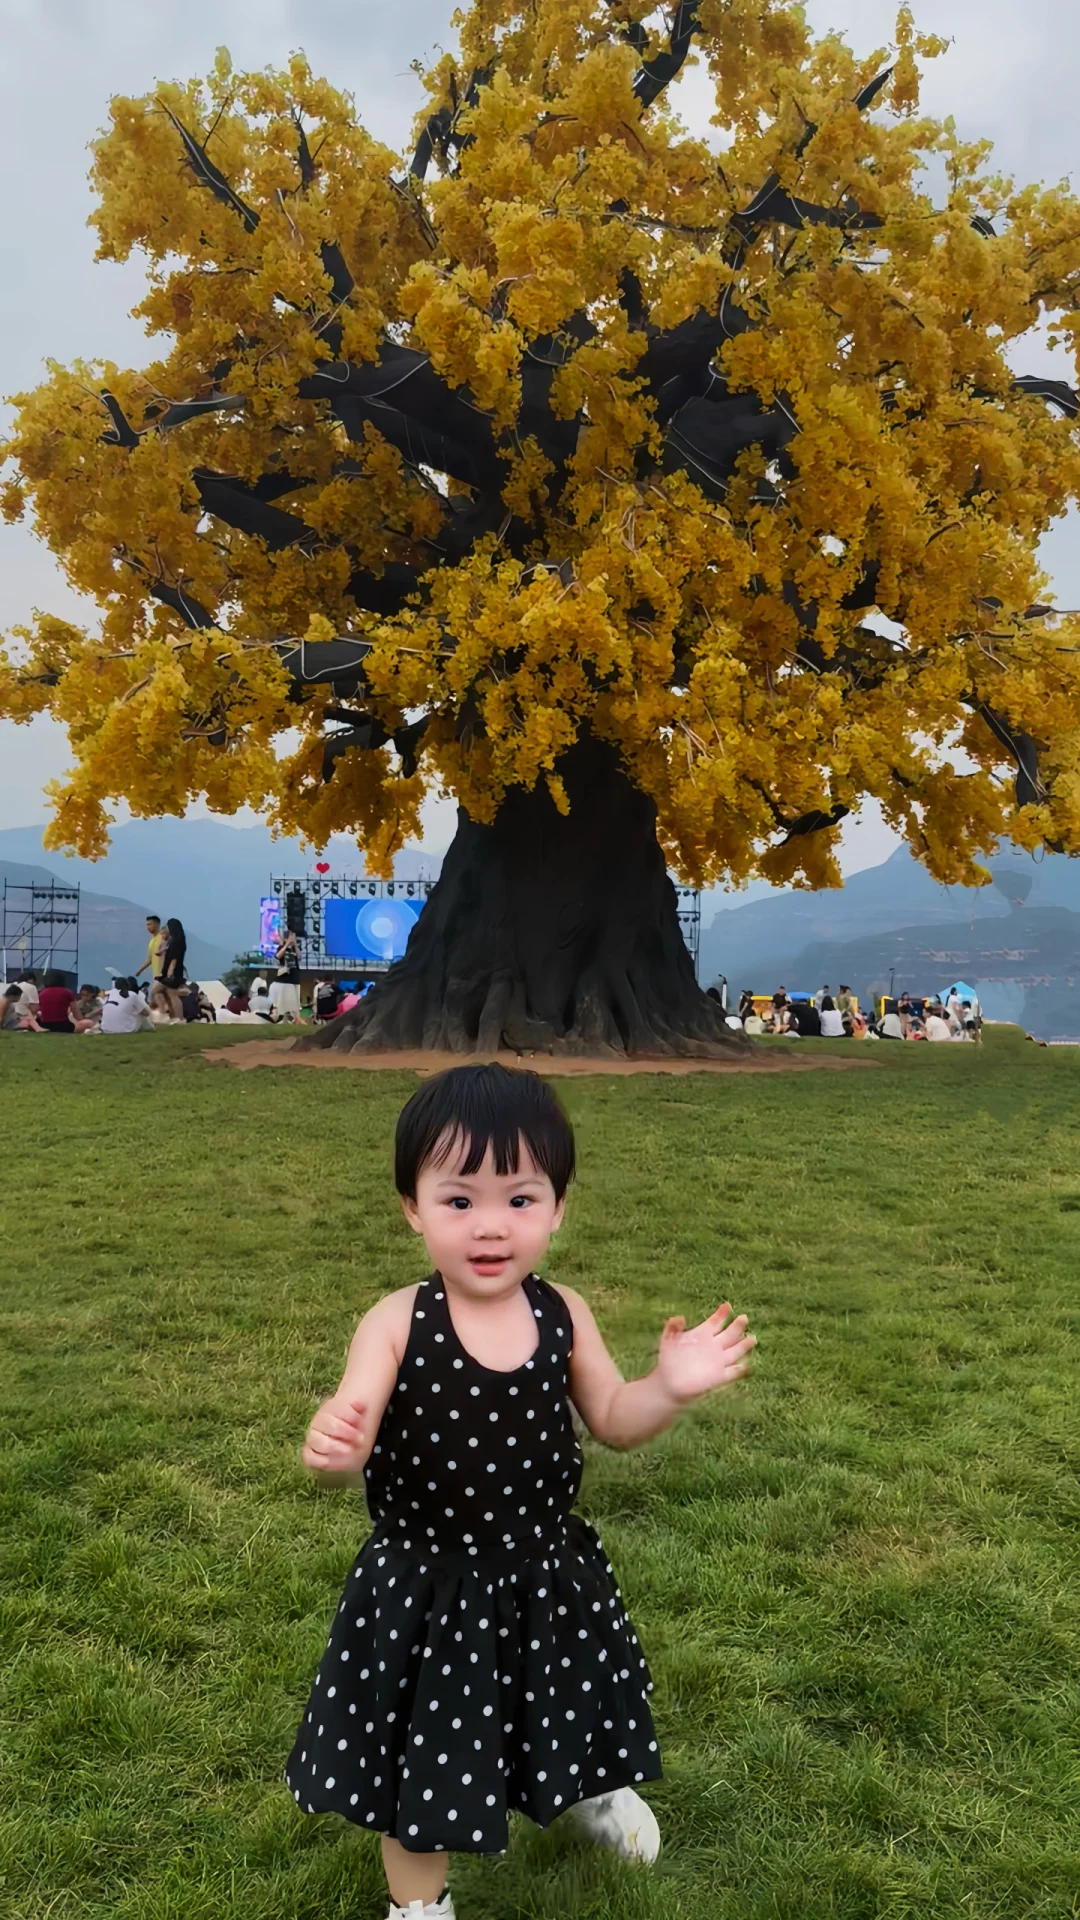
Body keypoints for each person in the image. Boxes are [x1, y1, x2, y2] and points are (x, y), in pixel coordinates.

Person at [288, 1064, 756, 1920]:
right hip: (426, 1588)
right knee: (424, 1761)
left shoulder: (564, 1313)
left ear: (559, 1207)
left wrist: (671, 1386)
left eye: (521, 1198)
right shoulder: (397, 1321)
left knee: (568, 1703)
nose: (491, 1226)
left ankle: (587, 1793)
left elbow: (614, 1417)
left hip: (547, 1574)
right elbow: (348, 1423)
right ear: (412, 1207)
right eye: (459, 1200)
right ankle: (419, 1910)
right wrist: (335, 1444)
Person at [270, 928, 302, 1020]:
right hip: (285, 979)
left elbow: (299, 956)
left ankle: (296, 1019)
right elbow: (277, 956)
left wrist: (294, 944)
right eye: (291, 937)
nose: (292, 939)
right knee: (284, 1004)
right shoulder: (282, 948)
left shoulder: (293, 949)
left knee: (295, 1004)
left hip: (295, 979)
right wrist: (287, 944)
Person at [158, 917, 187, 1020]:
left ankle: (179, 1017)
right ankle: (173, 1015)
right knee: (168, 993)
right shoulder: (178, 941)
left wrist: (170, 971)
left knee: (171, 994)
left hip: (174, 971)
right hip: (176, 971)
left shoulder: (176, 942)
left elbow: (174, 958)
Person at [136, 915, 168, 988]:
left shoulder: (163, 937)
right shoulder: (151, 941)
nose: (148, 927)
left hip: (165, 975)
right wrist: (140, 970)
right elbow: (150, 959)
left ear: (157, 924)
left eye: (150, 924)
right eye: (147, 925)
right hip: (156, 975)